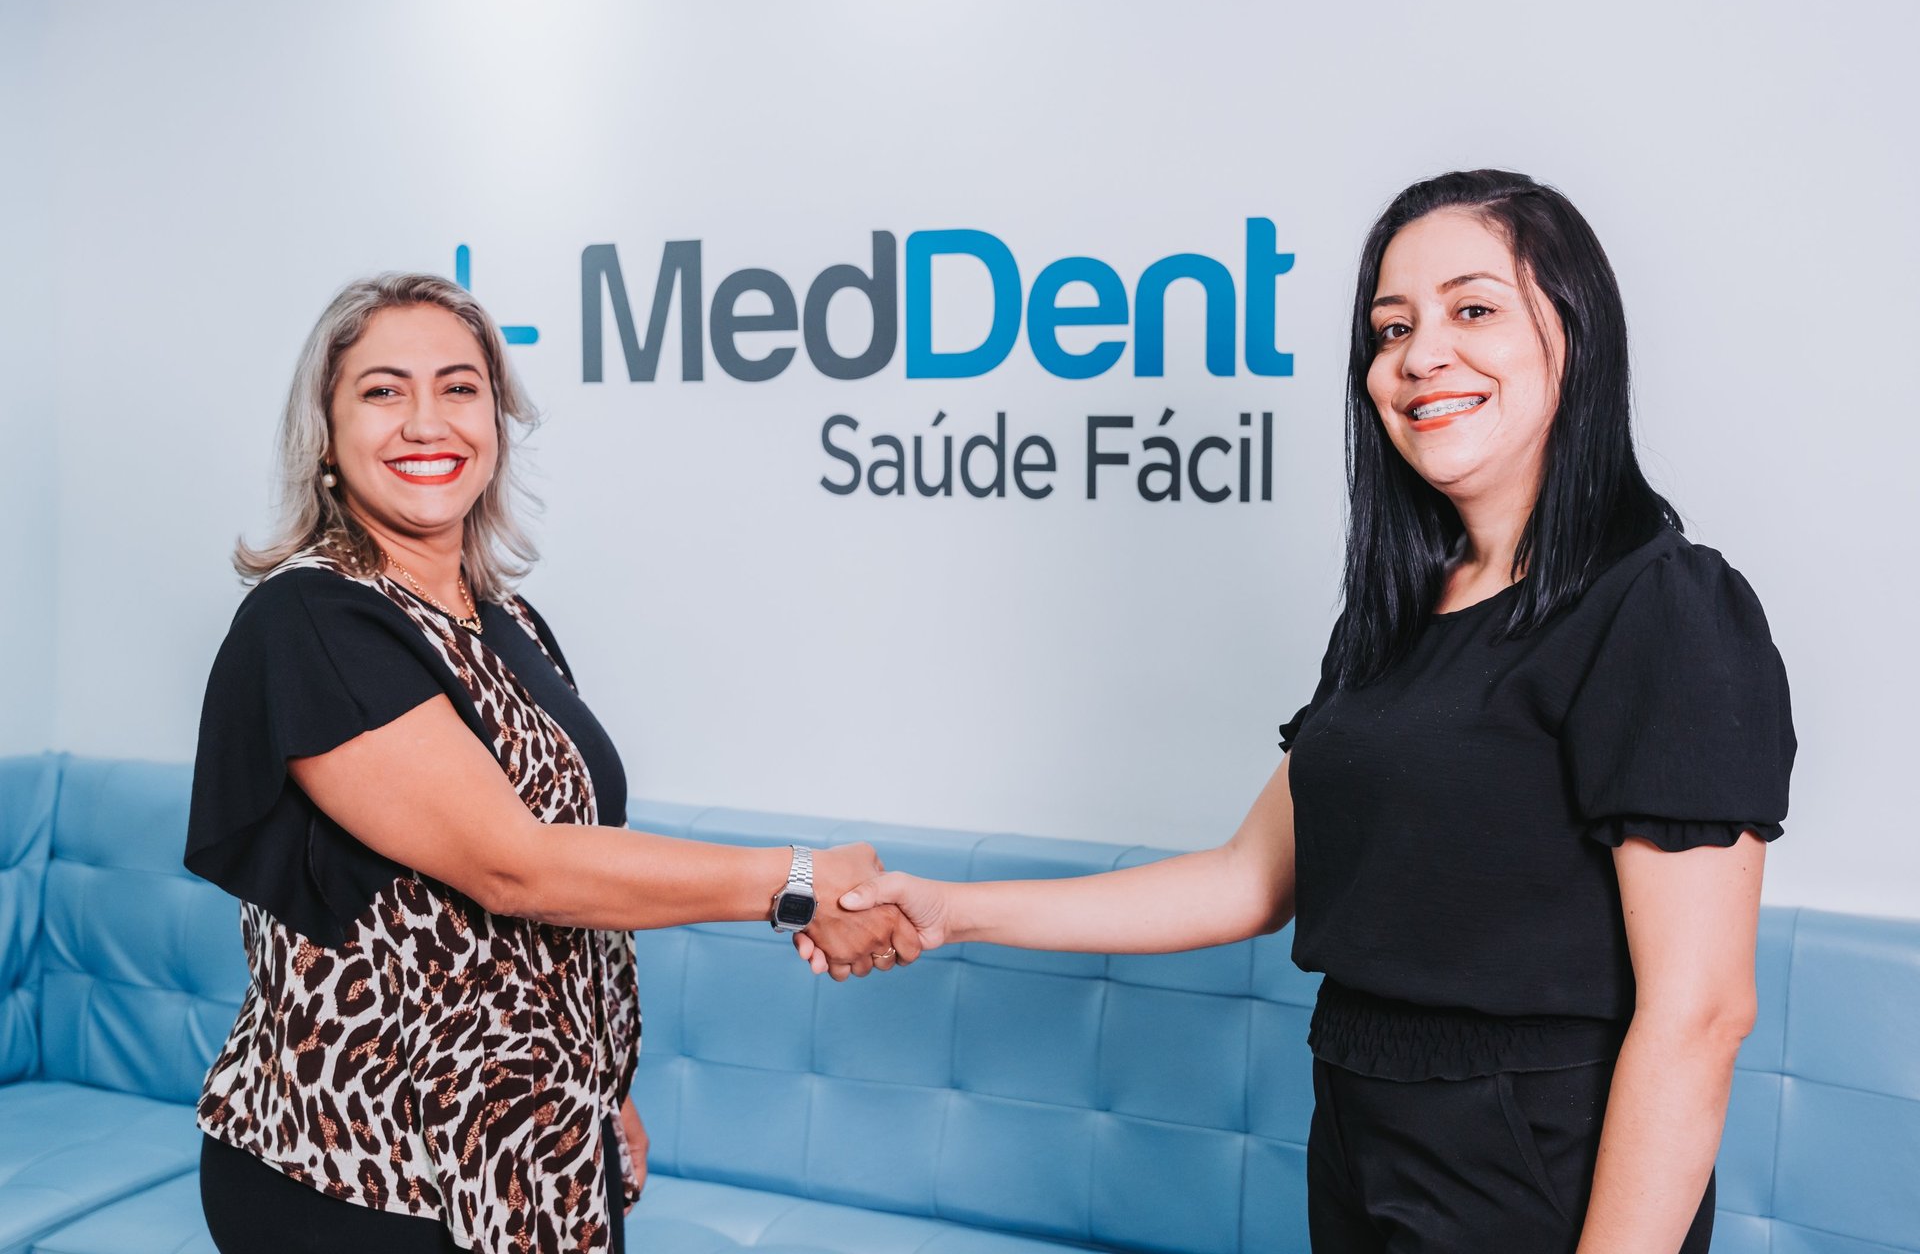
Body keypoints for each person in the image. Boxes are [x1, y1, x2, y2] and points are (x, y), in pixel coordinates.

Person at [805, 170, 1795, 1254]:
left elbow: (1700, 1014)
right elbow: (1249, 876)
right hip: (1363, 1141)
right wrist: (952, 908)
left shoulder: (1663, 604)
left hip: (1539, 1175)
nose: (1420, 356)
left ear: (1578, 334)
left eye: (1473, 309)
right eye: (1391, 327)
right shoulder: (1401, 612)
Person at [185, 273, 919, 1254]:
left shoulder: (508, 621)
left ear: (496, 416)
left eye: (458, 386)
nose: (425, 421)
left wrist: (597, 1087)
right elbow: (517, 866)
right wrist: (798, 881)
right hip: (364, 1179)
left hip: (536, 1152)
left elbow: (572, 883)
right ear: (325, 428)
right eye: (382, 390)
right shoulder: (309, 618)